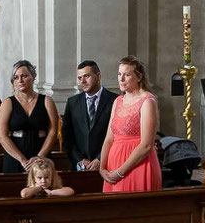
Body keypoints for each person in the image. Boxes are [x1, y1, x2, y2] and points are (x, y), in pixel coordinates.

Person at [102, 57, 161, 193]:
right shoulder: (118, 101)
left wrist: (120, 172)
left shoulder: (147, 101)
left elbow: (146, 145)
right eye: (119, 74)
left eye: (127, 74)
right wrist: (102, 168)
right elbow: (109, 139)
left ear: (139, 77)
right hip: (113, 165)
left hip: (137, 165)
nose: (121, 79)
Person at [0, 60, 60, 173]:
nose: (20, 80)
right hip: (15, 156)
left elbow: (53, 132)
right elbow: (2, 136)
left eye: (24, 76)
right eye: (16, 77)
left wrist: (39, 157)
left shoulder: (47, 101)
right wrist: (22, 160)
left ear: (33, 76)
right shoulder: (8, 103)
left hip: (41, 153)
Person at [62, 60, 116, 172]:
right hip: (81, 167)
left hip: (108, 164)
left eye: (86, 76)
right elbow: (67, 136)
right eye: (79, 78)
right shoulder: (72, 102)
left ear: (98, 76)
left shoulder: (115, 100)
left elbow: (117, 135)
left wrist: (100, 158)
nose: (83, 81)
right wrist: (80, 159)